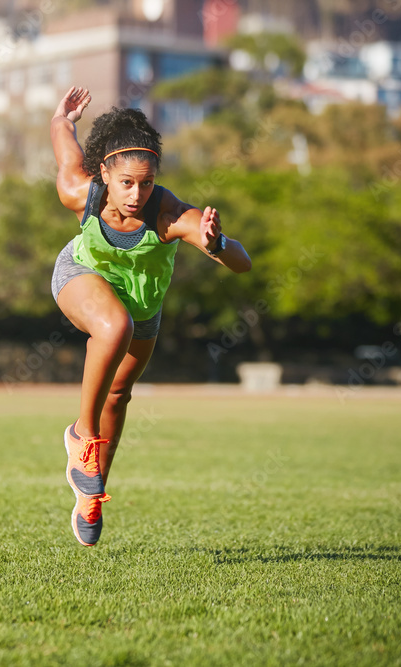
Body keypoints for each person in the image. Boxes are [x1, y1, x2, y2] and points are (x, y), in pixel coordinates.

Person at [50, 86, 252, 546]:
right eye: (126, 183)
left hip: (144, 304)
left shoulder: (170, 215)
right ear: (104, 173)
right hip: (82, 275)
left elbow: (242, 262)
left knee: (118, 396)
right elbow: (64, 140)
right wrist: (63, 116)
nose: (137, 193)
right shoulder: (80, 192)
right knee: (111, 325)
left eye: (146, 182)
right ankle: (81, 437)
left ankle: (90, 492)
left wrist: (216, 243)